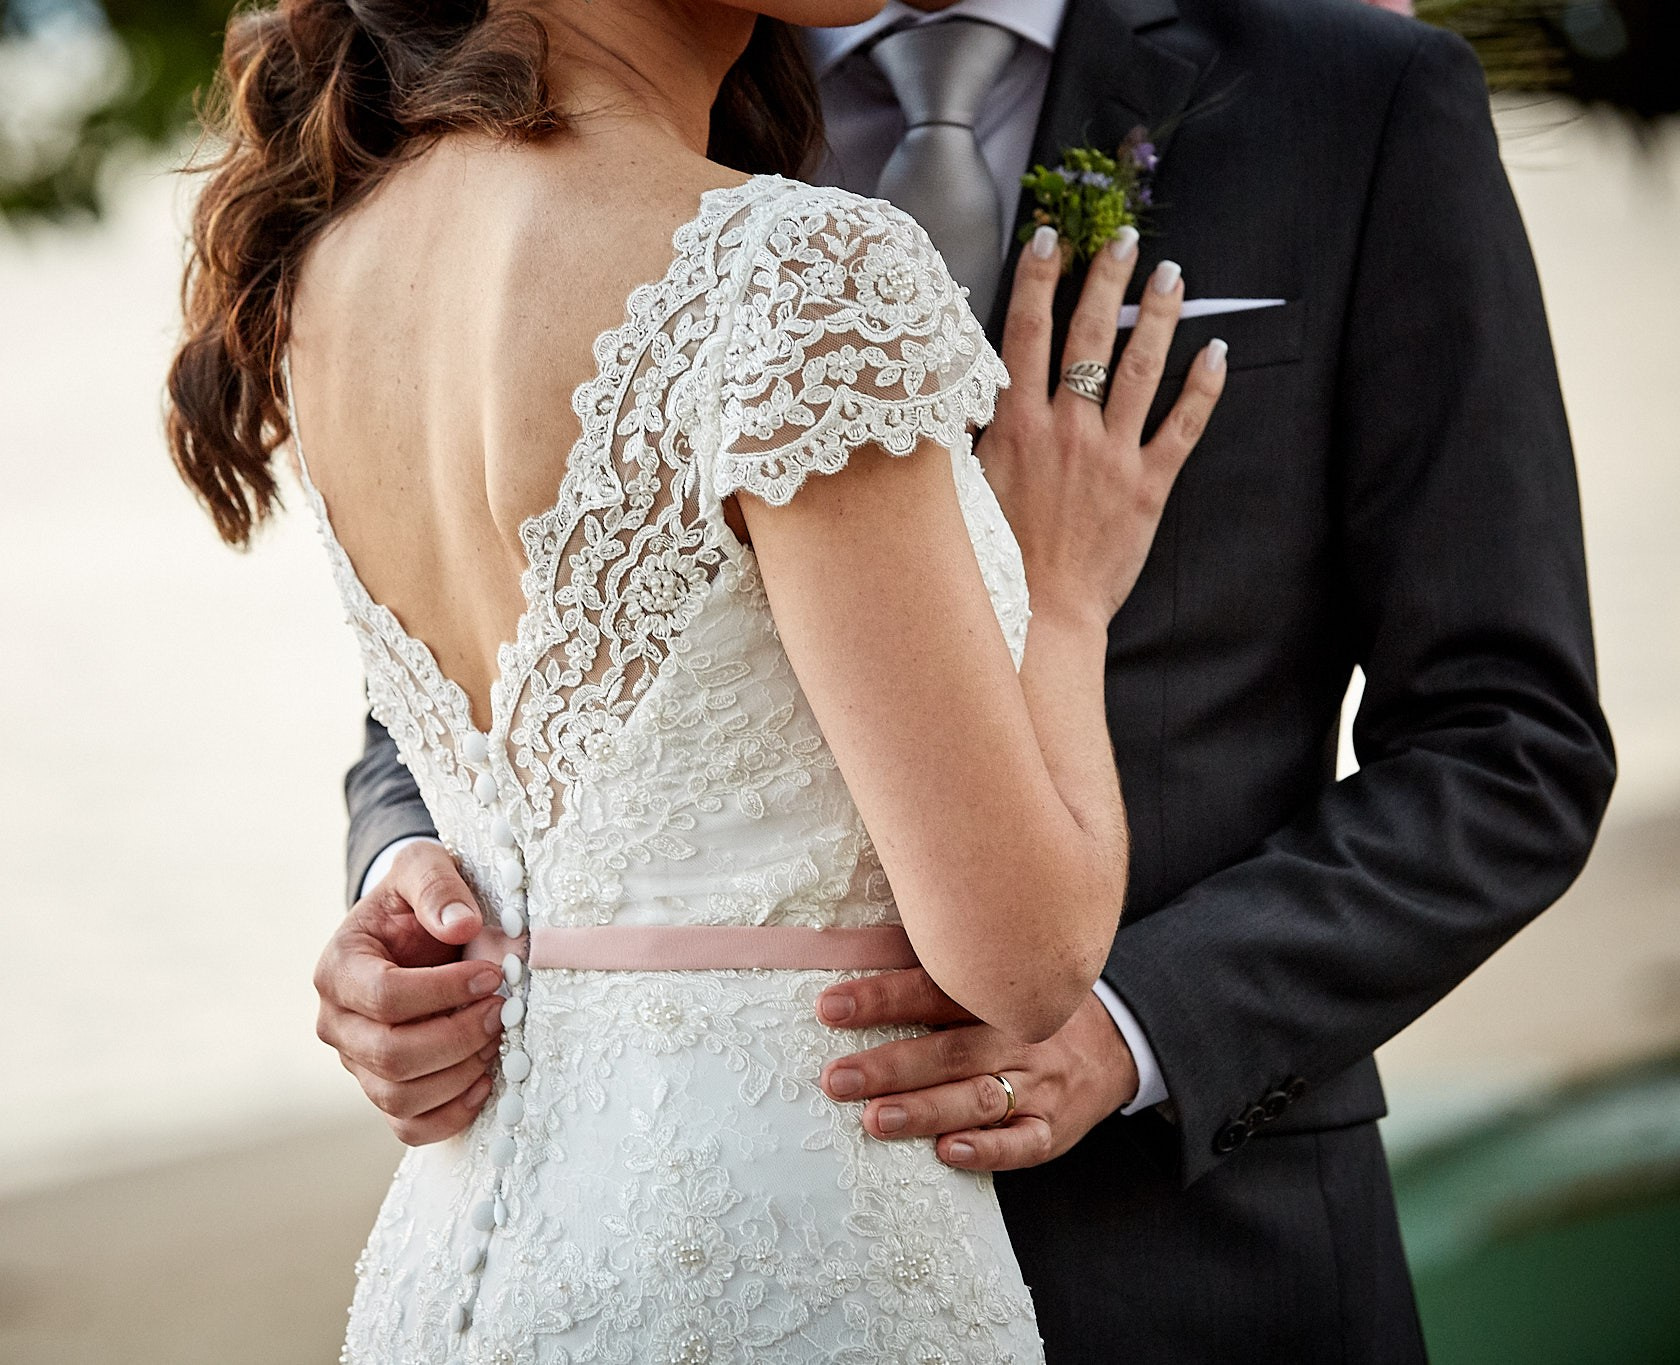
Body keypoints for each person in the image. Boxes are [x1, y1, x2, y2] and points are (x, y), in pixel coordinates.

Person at [314, 0, 1617, 1359]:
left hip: (1202, 1262)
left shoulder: (1352, 92)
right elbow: (504, 676)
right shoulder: (704, 132)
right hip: (729, 1258)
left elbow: (1510, 740)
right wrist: (410, 895)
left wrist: (1137, 1027)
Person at [168, 0, 1231, 1355]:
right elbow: (1023, 960)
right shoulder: (790, 270)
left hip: (462, 1280)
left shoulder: (332, 269)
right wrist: (1065, 599)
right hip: (787, 1269)